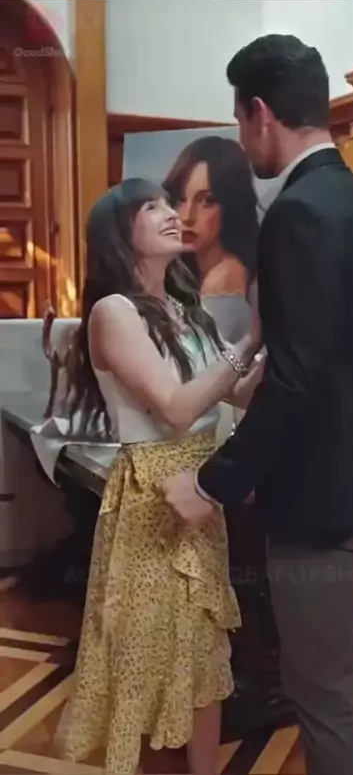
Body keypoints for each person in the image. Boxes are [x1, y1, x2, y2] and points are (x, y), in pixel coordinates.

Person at [164, 35, 353, 775]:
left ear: (261, 113)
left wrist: (212, 481)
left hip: (317, 490)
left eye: (240, 123)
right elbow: (344, 356)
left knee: (322, 693)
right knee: (328, 684)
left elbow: (300, 383)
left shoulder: (299, 212)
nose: (243, 143)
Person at [55, 178, 263, 775]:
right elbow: (176, 408)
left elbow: (236, 394)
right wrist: (251, 337)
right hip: (153, 494)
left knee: (202, 652)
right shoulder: (112, 312)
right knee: (147, 652)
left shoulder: (186, 308)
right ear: (119, 233)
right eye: (153, 207)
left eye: (170, 204)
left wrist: (277, 345)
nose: (173, 214)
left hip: (201, 486)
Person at [163, 135, 259, 343]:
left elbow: (197, 358)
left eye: (207, 201)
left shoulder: (225, 276)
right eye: (180, 199)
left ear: (232, 205)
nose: (187, 217)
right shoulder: (191, 272)